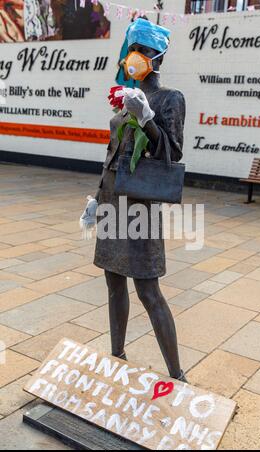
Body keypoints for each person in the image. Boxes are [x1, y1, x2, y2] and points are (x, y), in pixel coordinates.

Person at [93, 18, 186, 381]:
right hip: (111, 203)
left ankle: (176, 374)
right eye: (133, 50)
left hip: (140, 207)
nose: (135, 57)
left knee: (148, 289)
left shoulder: (169, 99)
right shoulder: (124, 101)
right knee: (113, 283)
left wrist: (146, 116)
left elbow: (171, 151)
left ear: (157, 57)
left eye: (142, 51)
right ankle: (117, 355)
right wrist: (94, 197)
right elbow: (112, 153)